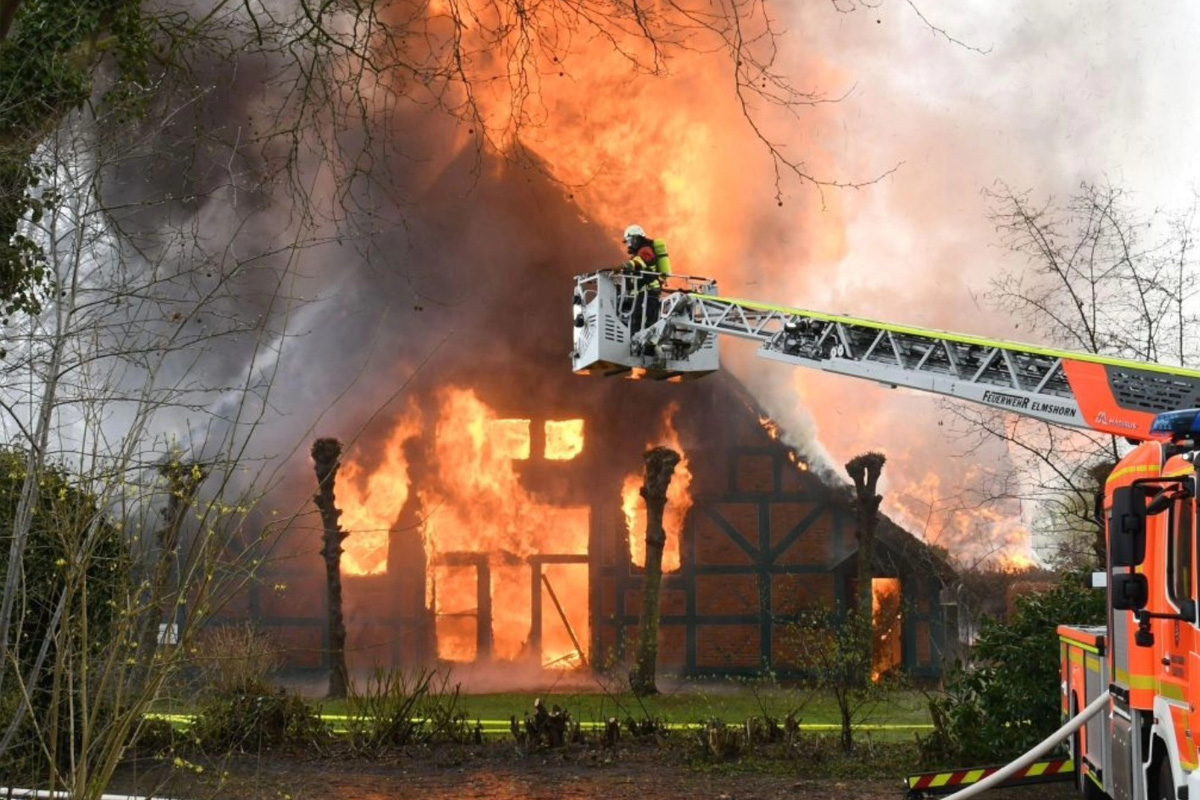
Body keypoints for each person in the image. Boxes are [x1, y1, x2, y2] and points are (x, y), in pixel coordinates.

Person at [617, 224, 672, 339]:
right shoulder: (642, 250)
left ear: (636, 238)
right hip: (645, 293)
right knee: (641, 319)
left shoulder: (646, 249)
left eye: (629, 241)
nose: (629, 244)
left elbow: (642, 261)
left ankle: (642, 345)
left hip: (648, 293)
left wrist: (628, 265)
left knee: (642, 320)